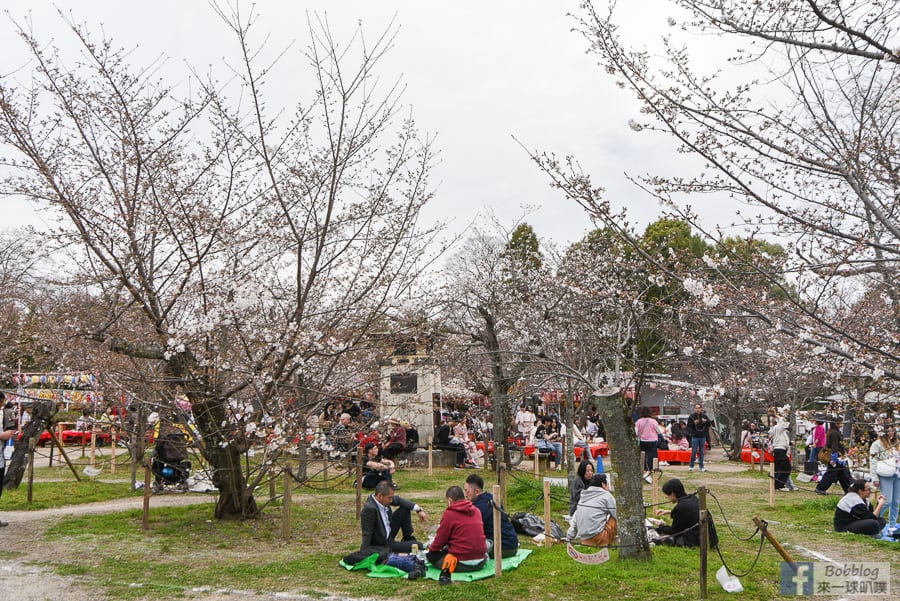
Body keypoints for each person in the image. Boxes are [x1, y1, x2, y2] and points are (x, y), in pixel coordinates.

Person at [426, 485, 488, 585]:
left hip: (461, 562)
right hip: (481, 561)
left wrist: (431, 550)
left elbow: (440, 541)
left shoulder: (449, 513)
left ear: (450, 500)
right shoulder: (476, 510)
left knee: (433, 555)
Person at [359, 480, 428, 553]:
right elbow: (367, 533)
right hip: (384, 544)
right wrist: (364, 554)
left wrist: (418, 510)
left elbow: (399, 500)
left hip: (388, 531)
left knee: (404, 509)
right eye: (389, 498)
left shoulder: (381, 498)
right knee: (419, 546)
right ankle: (408, 545)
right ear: (380, 496)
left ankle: (408, 539)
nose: (391, 500)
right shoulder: (369, 510)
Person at [650, 478, 718, 548]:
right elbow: (688, 513)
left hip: (700, 542)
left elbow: (674, 530)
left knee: (670, 537)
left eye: (668, 496)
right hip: (711, 539)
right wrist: (669, 512)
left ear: (672, 494)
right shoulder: (693, 498)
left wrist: (661, 525)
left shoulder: (681, 507)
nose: (668, 498)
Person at [464, 473, 519, 558]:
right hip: (513, 545)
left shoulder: (478, 508)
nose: (465, 495)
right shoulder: (491, 498)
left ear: (477, 492)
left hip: (501, 549)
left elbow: (470, 532)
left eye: (467, 491)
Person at [566, 473, 618, 547]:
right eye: (607, 484)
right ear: (603, 484)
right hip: (600, 538)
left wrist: (569, 538)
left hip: (584, 539)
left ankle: (589, 543)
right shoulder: (606, 495)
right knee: (617, 516)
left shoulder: (583, 497)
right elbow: (617, 514)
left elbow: (575, 520)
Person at [869, 425, 899, 528]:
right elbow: (873, 461)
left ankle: (892, 525)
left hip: (897, 473)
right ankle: (874, 520)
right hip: (885, 474)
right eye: (889, 431)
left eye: (893, 431)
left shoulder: (896, 444)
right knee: (886, 500)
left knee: (895, 501)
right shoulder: (877, 444)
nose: (891, 433)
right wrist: (875, 478)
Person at [815, 419, 853, 495]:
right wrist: (834, 458)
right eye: (840, 422)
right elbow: (834, 446)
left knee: (843, 474)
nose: (842, 424)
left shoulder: (833, 432)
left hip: (840, 456)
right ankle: (820, 488)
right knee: (831, 474)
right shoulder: (834, 433)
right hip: (836, 457)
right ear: (836, 424)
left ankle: (848, 490)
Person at [769, 413, 796, 491]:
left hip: (780, 450)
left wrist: (790, 443)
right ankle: (779, 486)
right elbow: (784, 424)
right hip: (780, 450)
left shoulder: (779, 431)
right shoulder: (777, 428)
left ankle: (780, 485)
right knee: (785, 468)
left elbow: (783, 441)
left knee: (780, 468)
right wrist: (779, 416)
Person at [636, 407, 662, 483]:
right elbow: (659, 431)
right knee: (652, 457)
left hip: (642, 441)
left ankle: (645, 470)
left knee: (643, 456)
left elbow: (636, 432)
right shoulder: (653, 421)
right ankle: (649, 472)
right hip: (652, 441)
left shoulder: (639, 421)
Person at [686, 404, 711, 472]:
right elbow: (688, 426)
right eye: (696, 408)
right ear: (694, 409)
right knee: (694, 451)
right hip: (695, 436)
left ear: (701, 408)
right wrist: (694, 423)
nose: (697, 409)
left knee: (702, 452)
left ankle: (701, 466)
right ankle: (691, 465)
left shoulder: (704, 416)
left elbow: (709, 423)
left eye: (699, 408)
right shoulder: (692, 416)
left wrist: (705, 421)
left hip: (703, 436)